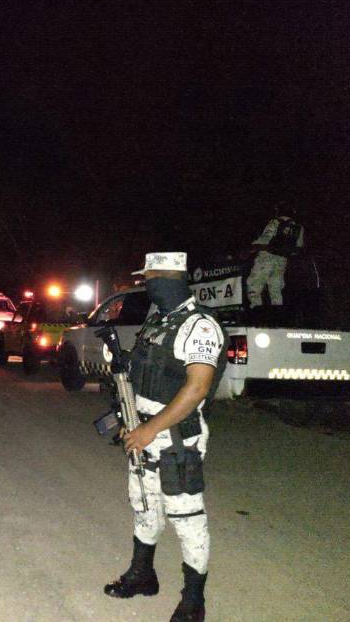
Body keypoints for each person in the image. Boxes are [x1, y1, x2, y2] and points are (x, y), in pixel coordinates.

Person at [104, 252, 227, 622]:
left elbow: (197, 388)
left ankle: (193, 601)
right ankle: (142, 575)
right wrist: (131, 421)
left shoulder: (199, 326)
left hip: (175, 437)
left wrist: (149, 429)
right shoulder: (158, 321)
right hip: (142, 431)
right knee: (143, 504)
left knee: (186, 516)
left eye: (149, 277)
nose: (146, 284)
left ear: (166, 277)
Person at [246, 203, 305, 310]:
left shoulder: (275, 222)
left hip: (266, 258)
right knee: (276, 290)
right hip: (282, 260)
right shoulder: (298, 227)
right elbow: (298, 248)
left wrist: (252, 248)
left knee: (254, 285)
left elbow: (265, 239)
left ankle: (256, 312)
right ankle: (278, 314)